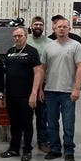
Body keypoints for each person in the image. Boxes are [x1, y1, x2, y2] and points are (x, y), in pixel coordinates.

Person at [41, 17, 81, 161]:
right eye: (59, 27)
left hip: (68, 92)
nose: (61, 29)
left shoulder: (76, 45)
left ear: (69, 29)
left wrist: (77, 88)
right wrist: (40, 89)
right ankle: (55, 149)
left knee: (68, 123)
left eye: (64, 27)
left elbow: (80, 67)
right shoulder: (48, 47)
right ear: (54, 29)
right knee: (52, 123)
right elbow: (42, 69)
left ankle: (68, 151)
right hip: (50, 91)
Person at [1, 26, 43, 161]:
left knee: (27, 123)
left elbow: (38, 73)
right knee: (14, 123)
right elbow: (6, 74)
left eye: (20, 36)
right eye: (15, 36)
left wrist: (34, 93)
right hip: (11, 95)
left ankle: (27, 149)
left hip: (26, 95)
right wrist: (4, 94)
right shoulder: (9, 52)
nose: (17, 38)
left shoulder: (32, 52)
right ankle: (14, 148)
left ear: (26, 36)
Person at [27, 16, 52, 154]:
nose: (38, 26)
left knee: (43, 116)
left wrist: (41, 88)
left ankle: (42, 141)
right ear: (31, 26)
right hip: (26, 85)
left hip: (44, 86)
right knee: (26, 116)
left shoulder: (50, 43)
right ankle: (26, 142)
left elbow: (48, 66)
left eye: (40, 24)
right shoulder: (25, 40)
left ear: (43, 27)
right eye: (35, 24)